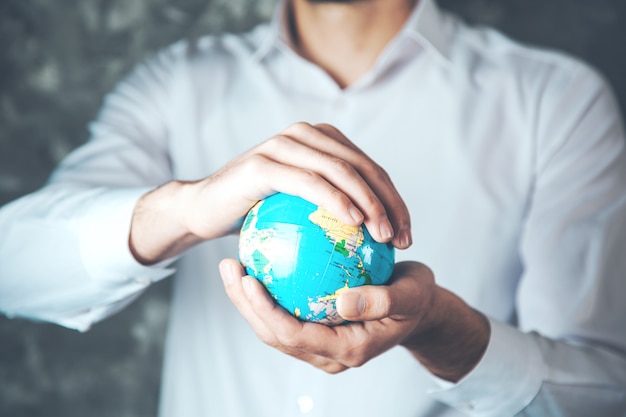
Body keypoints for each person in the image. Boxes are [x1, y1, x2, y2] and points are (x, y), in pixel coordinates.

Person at [1, 0, 626, 415]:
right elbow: (14, 270)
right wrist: (186, 209)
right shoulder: (177, 86)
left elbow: (602, 394)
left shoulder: (554, 102)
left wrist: (443, 330)